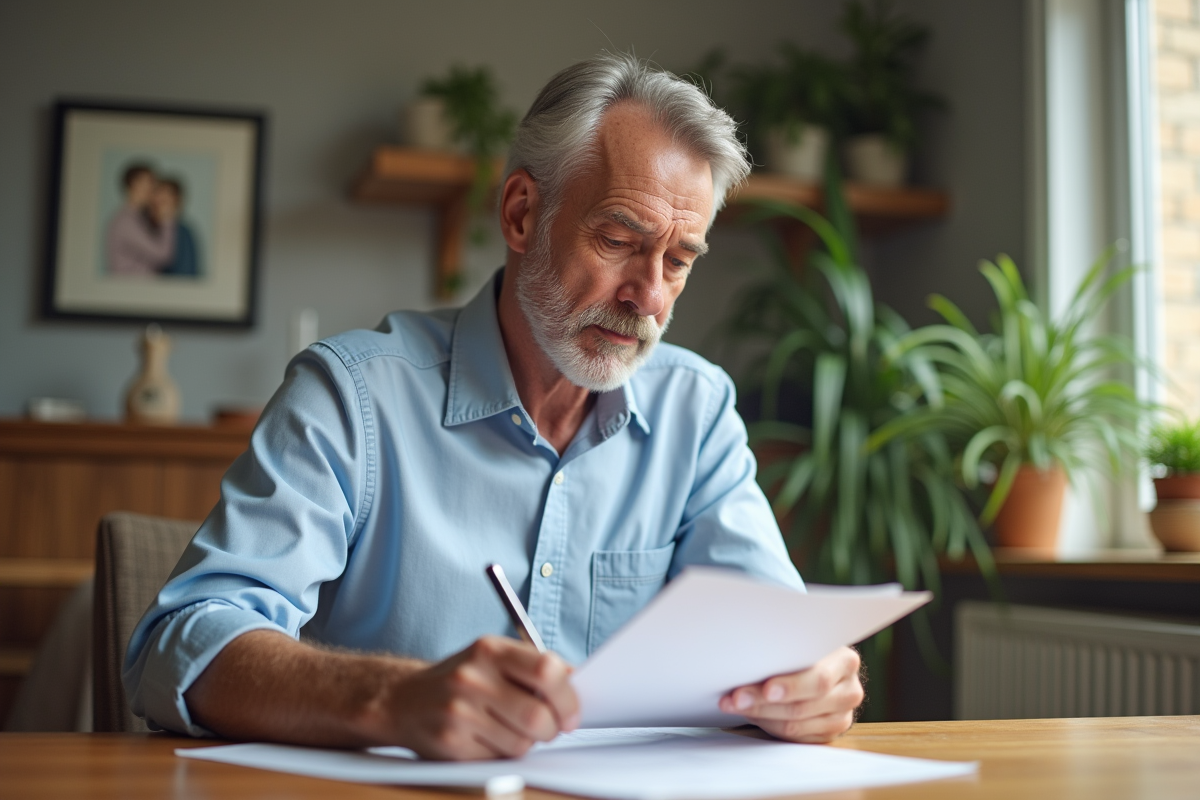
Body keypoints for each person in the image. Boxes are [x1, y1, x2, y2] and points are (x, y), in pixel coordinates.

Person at [124, 52, 865, 760]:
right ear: (520, 215)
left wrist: (811, 682)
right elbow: (181, 644)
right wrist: (393, 698)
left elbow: (778, 641)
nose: (651, 295)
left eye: (678, 260)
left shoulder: (695, 412)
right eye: (617, 239)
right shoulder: (351, 398)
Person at [105, 163, 176, 276]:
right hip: (128, 289)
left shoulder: (138, 218)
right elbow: (162, 255)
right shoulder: (125, 221)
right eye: (150, 183)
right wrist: (167, 219)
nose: (153, 189)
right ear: (134, 184)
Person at [152, 178, 201, 277]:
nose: (161, 200)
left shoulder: (183, 233)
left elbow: (186, 273)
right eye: (158, 195)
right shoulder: (147, 228)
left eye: (166, 199)